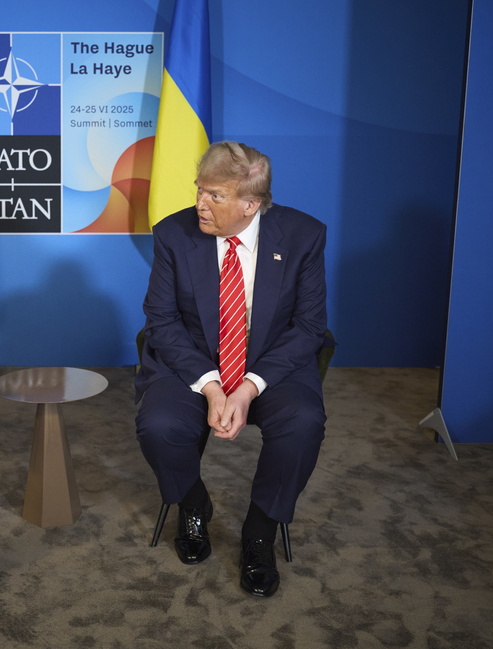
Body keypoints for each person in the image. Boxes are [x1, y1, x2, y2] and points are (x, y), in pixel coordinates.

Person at [135, 141, 329, 598]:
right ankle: (194, 504)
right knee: (158, 424)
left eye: (215, 196)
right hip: (194, 361)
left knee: (304, 423)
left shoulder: (303, 235)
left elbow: (309, 327)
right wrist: (211, 386)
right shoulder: (173, 233)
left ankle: (259, 530)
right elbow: (161, 321)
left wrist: (247, 388)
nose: (200, 204)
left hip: (270, 365)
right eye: (199, 190)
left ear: (251, 204)